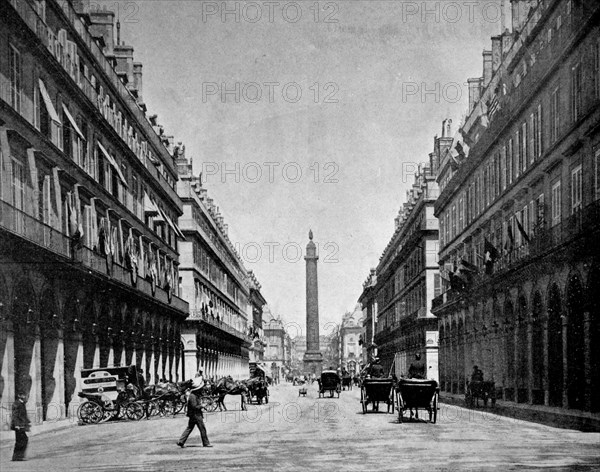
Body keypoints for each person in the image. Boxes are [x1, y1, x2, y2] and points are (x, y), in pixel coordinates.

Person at [11, 393, 31, 462]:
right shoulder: (17, 404)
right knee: (22, 440)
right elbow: (15, 415)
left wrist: (27, 421)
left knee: (22, 440)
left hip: (21, 425)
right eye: (23, 395)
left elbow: (22, 415)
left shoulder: (22, 403)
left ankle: (18, 456)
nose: (25, 397)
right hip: (18, 426)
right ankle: (17, 457)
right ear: (19, 396)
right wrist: (17, 425)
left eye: (25, 395)